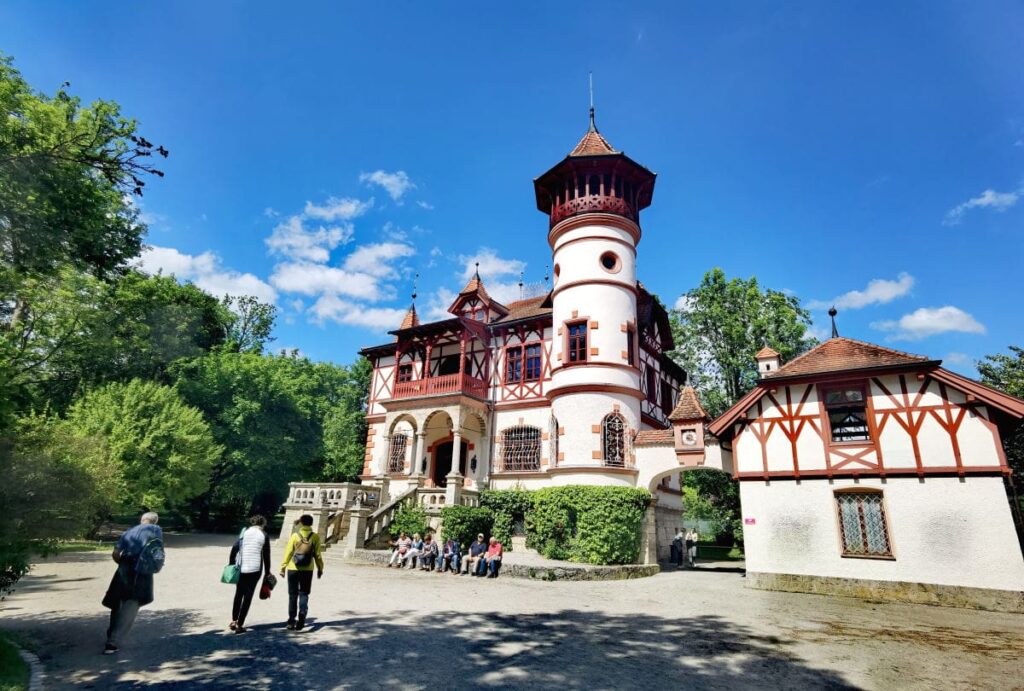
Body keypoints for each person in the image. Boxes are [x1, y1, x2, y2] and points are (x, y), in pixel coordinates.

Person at [101, 512, 163, 655]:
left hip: (123, 569)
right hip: (141, 572)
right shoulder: (156, 530)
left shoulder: (129, 532)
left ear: (141, 520)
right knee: (131, 604)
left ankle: (111, 634)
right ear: (155, 521)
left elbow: (116, 553)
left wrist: (122, 564)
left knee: (118, 601)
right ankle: (112, 642)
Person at [279, 514, 324, 631]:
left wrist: (283, 567)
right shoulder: (315, 537)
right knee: (304, 593)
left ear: (301, 523)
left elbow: (288, 552)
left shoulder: (295, 536)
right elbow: (318, 555)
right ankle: (302, 615)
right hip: (308, 569)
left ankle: (291, 620)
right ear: (311, 524)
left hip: (293, 568)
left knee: (292, 595)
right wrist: (320, 568)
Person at [228, 515, 271, 633]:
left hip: (242, 567)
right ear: (262, 524)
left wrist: (231, 564)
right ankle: (240, 624)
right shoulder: (264, 535)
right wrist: (267, 572)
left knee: (238, 593)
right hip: (255, 568)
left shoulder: (245, 533)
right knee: (248, 596)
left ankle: (234, 620)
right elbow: (266, 555)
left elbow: (234, 548)